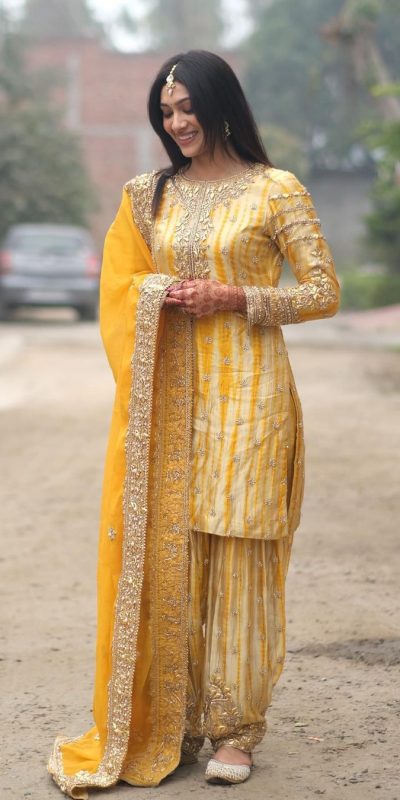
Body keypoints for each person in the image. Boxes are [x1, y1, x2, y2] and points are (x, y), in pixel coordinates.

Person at [48, 50, 340, 798]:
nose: (177, 123)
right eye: (166, 112)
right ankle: (171, 719)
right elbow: (121, 285)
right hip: (170, 401)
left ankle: (236, 730)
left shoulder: (276, 189)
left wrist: (237, 299)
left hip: (252, 399)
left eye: (186, 108)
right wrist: (158, 292)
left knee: (240, 557)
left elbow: (323, 291)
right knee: (172, 554)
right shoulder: (149, 196)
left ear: (221, 105)